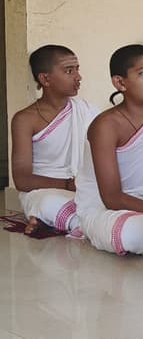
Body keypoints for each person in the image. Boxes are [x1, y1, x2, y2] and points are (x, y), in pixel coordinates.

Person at [75, 45, 143, 256]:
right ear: (120, 82)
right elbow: (112, 198)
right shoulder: (105, 126)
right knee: (135, 234)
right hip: (110, 212)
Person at [11, 45, 99, 234]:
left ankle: (52, 222)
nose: (78, 77)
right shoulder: (25, 119)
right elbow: (22, 180)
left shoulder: (87, 110)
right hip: (44, 191)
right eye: (69, 71)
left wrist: (84, 184)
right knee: (49, 204)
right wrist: (69, 185)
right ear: (45, 79)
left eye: (77, 69)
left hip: (84, 187)